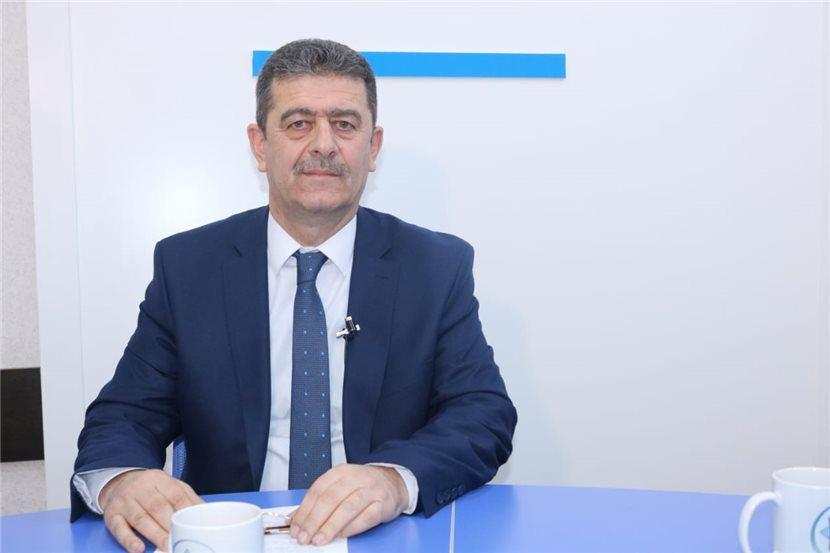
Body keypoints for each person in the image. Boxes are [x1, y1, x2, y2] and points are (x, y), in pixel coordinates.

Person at [71, 38, 517, 552]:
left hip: (385, 536)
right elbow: (124, 414)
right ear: (260, 145)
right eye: (299, 123)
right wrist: (124, 480)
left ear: (373, 147)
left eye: (344, 124)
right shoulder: (189, 267)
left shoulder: (434, 266)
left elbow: (482, 414)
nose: (324, 144)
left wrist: (395, 480)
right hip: (234, 540)